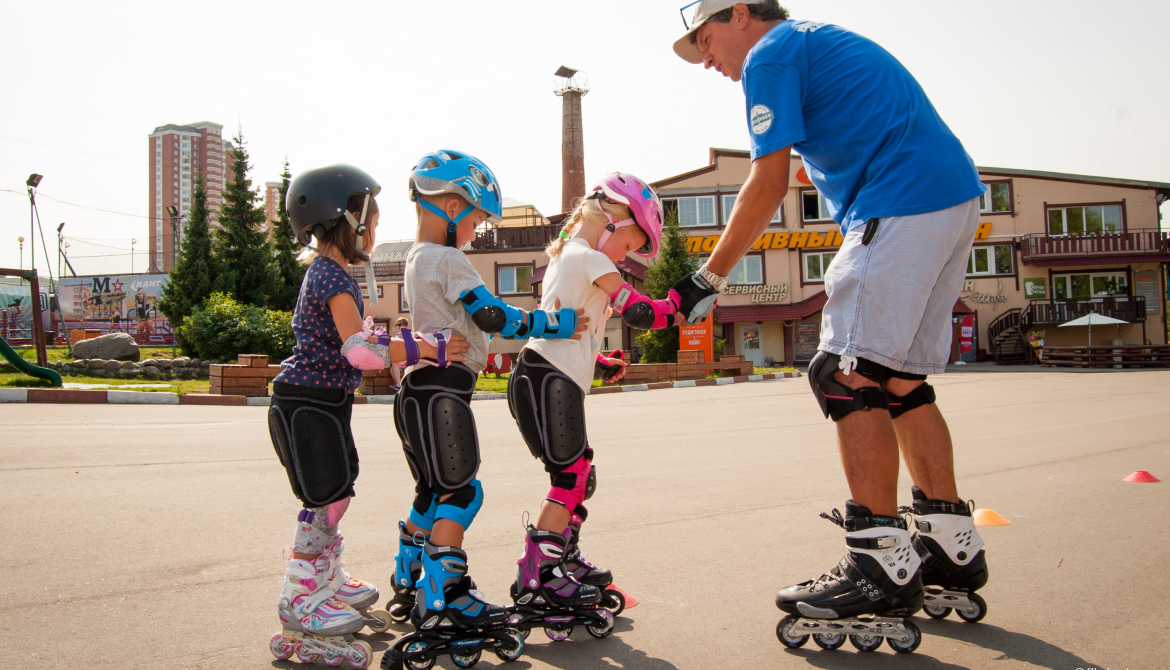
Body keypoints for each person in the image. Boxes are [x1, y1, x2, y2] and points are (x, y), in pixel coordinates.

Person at [670, 1, 991, 650]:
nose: (707, 60)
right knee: (901, 382)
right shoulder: (817, 41)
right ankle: (950, 545)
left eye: (705, 40)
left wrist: (708, 278)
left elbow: (767, 180)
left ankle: (877, 562)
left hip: (899, 201)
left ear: (739, 14)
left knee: (844, 373)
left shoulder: (770, 53)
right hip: (952, 195)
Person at [382, 150, 585, 668]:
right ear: (451, 206)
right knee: (462, 491)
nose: (476, 230)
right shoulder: (450, 259)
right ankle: (445, 597)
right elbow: (492, 316)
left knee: (430, 492)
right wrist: (554, 324)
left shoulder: (415, 256)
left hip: (415, 393)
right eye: (475, 219)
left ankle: (412, 575)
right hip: (444, 391)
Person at [266, 164, 471, 668]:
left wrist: (404, 342)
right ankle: (300, 596)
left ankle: (325, 580)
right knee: (325, 498)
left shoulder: (333, 273)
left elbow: (361, 340)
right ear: (350, 220)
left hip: (321, 401)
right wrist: (432, 347)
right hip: (306, 402)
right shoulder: (330, 275)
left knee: (336, 493)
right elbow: (358, 349)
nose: (375, 236)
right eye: (373, 225)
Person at [505, 172, 679, 638]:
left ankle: (560, 558)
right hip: (548, 379)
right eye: (633, 243)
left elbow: (569, 322)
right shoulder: (589, 257)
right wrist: (681, 300)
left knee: (582, 475)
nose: (629, 256)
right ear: (612, 220)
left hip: (546, 375)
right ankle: (538, 574)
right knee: (571, 475)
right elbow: (639, 311)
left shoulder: (573, 257)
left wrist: (598, 360)